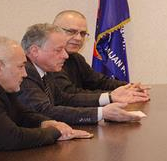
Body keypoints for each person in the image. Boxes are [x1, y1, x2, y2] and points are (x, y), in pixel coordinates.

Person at [17, 24, 148, 125]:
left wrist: (110, 97)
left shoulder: (44, 68)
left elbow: (64, 99)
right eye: (58, 50)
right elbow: (45, 111)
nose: (65, 55)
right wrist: (101, 113)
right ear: (35, 51)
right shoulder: (25, 72)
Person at [52, 10, 149, 94]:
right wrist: (113, 95)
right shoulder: (49, 60)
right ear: (54, 31)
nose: (78, 38)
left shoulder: (76, 58)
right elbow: (70, 94)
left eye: (83, 33)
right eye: (71, 31)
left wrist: (129, 87)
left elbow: (99, 81)